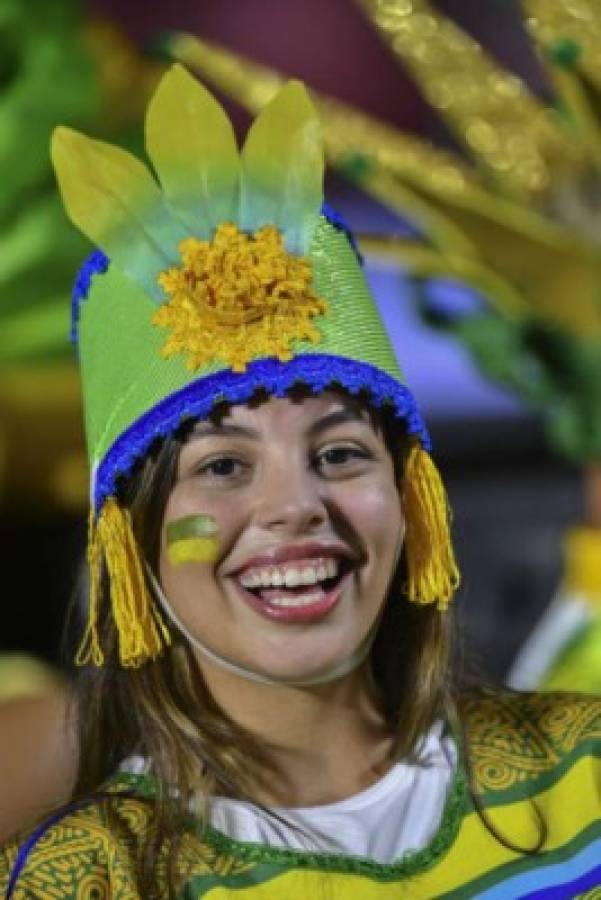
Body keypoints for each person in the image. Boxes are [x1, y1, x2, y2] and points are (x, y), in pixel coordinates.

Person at [1, 64, 599, 899]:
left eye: (341, 454)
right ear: (129, 539)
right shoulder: (89, 882)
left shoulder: (583, 777)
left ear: (409, 496)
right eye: (222, 466)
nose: (293, 507)